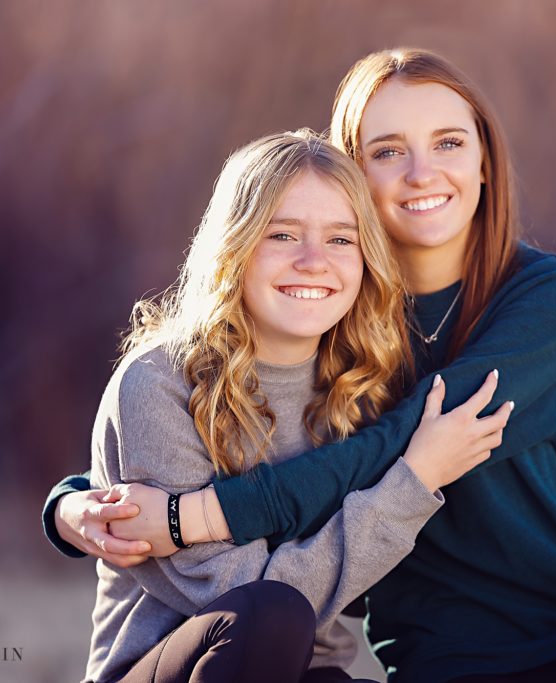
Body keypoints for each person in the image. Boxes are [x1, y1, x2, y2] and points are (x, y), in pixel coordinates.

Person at [46, 49, 556, 682]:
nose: (422, 170)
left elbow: (394, 440)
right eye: (388, 149)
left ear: (485, 161)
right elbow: (267, 428)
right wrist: (77, 501)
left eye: (450, 141)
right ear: (352, 174)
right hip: (446, 658)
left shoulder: (539, 299)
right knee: (268, 620)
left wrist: (191, 515)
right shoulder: (340, 331)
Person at [78, 129, 511, 683]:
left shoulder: (367, 383)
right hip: (171, 667)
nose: (313, 261)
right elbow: (243, 595)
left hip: (310, 672)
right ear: (234, 247)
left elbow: (367, 593)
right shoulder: (159, 382)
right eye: (282, 235)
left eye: (340, 239)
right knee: (272, 613)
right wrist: (414, 481)